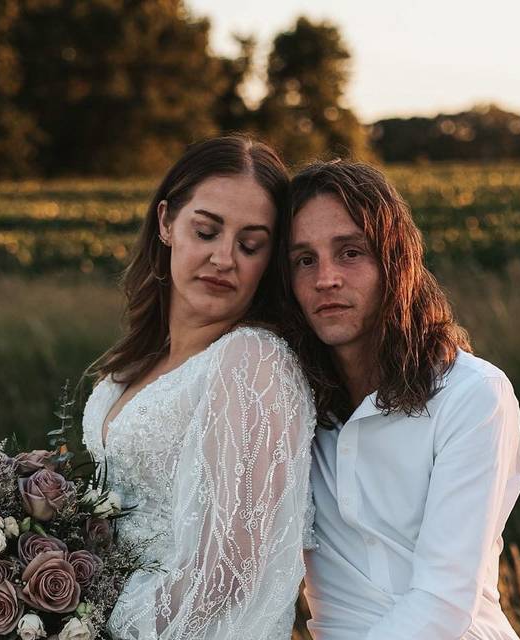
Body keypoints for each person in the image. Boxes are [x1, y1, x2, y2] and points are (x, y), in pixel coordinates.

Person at [81, 136, 316, 639]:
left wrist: (91, 628)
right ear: (166, 222)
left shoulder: (251, 361)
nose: (223, 257)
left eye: (250, 245)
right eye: (206, 231)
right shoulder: (131, 363)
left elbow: (229, 566)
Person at [285, 160, 520, 639]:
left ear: (395, 262)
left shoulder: (472, 394)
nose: (325, 278)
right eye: (304, 260)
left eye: (350, 252)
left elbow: (441, 602)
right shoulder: (291, 402)